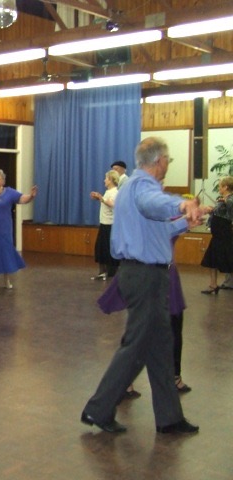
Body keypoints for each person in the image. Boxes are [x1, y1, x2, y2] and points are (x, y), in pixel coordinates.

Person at [81, 136, 206, 435]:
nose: (168, 166)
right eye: (168, 161)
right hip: (145, 276)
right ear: (159, 160)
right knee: (135, 346)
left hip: (145, 275)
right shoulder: (142, 188)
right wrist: (182, 203)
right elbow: (156, 204)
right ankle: (97, 409)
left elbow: (155, 225)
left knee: (161, 347)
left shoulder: (131, 188)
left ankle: (169, 418)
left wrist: (183, 222)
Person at [98, 236, 192, 396]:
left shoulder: (163, 215)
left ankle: (173, 376)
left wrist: (187, 213)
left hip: (166, 276)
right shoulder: (143, 218)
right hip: (146, 277)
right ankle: (123, 382)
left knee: (173, 327)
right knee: (138, 332)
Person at [199, 176, 233, 294]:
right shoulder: (221, 199)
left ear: (226, 187)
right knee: (212, 259)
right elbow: (218, 212)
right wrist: (211, 210)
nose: (219, 188)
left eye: (220, 186)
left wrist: (226, 202)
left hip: (226, 236)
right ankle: (213, 285)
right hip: (217, 236)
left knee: (229, 259)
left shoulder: (230, 199)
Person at [90, 170, 120, 280]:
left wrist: (101, 198)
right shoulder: (108, 192)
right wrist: (99, 198)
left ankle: (111, 272)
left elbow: (112, 204)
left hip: (110, 225)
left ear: (111, 180)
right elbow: (106, 203)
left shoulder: (115, 192)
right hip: (104, 223)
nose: (104, 180)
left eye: (106, 178)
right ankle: (102, 272)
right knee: (100, 248)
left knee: (108, 248)